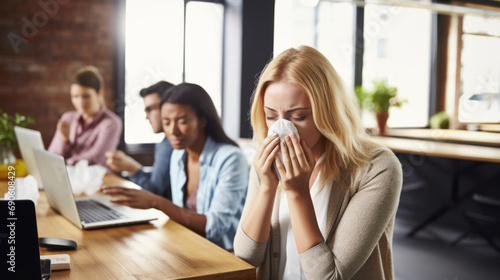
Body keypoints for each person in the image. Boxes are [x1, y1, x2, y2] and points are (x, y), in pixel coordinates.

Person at [233, 46, 402, 280]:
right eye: (271, 115)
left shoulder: (376, 167)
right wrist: (266, 187)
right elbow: (244, 257)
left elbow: (330, 276)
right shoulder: (268, 159)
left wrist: (297, 192)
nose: (282, 129)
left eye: (299, 116)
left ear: (328, 112)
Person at [101, 83, 249, 250]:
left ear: (203, 120)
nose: (173, 131)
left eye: (182, 121)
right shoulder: (179, 154)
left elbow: (215, 228)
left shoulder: (230, 158)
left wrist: (156, 202)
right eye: (166, 122)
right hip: (189, 244)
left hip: (223, 253)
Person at [105, 81, 174, 200]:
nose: (147, 117)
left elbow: (154, 193)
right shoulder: (165, 142)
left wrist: (132, 169)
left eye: (151, 109)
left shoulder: (171, 143)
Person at [48, 66, 122, 173]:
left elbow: (95, 159)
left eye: (86, 96)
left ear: (99, 93)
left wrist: (63, 164)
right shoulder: (68, 118)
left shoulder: (111, 123)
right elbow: (52, 155)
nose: (80, 102)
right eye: (75, 96)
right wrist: (64, 141)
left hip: (100, 181)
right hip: (68, 177)